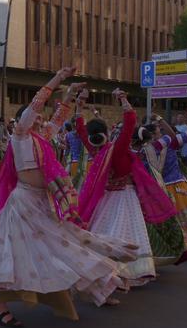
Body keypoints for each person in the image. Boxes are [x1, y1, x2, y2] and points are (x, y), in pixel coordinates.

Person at [0, 67, 137, 326]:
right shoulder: (20, 136)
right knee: (16, 256)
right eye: (35, 116)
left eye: (40, 118)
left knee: (61, 246)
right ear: (23, 120)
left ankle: (99, 286)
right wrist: (59, 78)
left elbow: (57, 119)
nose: (40, 119)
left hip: (41, 203)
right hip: (23, 205)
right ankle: (0, 307)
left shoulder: (39, 138)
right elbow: (37, 104)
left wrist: (69, 98)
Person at [76, 89, 179, 287]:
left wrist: (80, 105)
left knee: (105, 233)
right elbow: (130, 121)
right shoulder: (115, 148)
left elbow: (81, 129)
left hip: (106, 198)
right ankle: (122, 272)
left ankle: (107, 272)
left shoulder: (96, 150)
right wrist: (123, 99)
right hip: (123, 197)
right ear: (106, 133)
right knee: (123, 234)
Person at [136, 117, 187, 251]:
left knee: (172, 219)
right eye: (159, 131)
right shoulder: (167, 143)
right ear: (152, 135)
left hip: (159, 189)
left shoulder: (141, 152)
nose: (162, 133)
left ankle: (178, 243)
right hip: (177, 184)